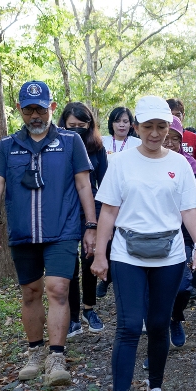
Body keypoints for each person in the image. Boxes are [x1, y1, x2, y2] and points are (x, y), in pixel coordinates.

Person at [92, 95, 196, 391]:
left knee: (158, 324)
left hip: (169, 253)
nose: (155, 133)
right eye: (148, 127)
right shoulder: (122, 162)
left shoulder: (179, 164)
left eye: (162, 127)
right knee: (128, 326)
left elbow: (188, 209)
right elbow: (108, 211)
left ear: (169, 128)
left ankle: (155, 389)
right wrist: (100, 254)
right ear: (137, 127)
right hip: (128, 253)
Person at [0, 81, 97, 387]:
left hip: (62, 229)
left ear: (52, 108)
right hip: (23, 232)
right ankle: (35, 352)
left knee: (58, 289)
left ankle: (57, 356)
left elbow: (84, 184)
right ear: (20, 110)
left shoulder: (71, 141)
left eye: (41, 108)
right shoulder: (7, 146)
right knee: (30, 292)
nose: (36, 115)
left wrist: (91, 225)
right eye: (29, 109)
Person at [58, 102, 108, 336]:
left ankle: (89, 309)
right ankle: (73, 317)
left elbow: (105, 181)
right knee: (69, 263)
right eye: (71, 126)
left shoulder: (97, 147)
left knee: (89, 258)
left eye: (82, 125)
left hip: (93, 208)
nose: (76, 129)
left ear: (90, 125)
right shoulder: (56, 146)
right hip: (64, 209)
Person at [96, 106, 138, 298]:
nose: (121, 124)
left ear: (131, 125)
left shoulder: (137, 143)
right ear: (111, 123)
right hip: (105, 198)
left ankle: (120, 277)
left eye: (125, 121)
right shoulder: (101, 142)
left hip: (129, 200)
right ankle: (105, 279)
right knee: (106, 237)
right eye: (117, 120)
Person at [167, 98, 196, 299]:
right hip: (157, 233)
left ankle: (176, 316)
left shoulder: (189, 164)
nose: (171, 144)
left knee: (182, 287)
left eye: (176, 139)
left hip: (185, 231)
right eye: (167, 137)